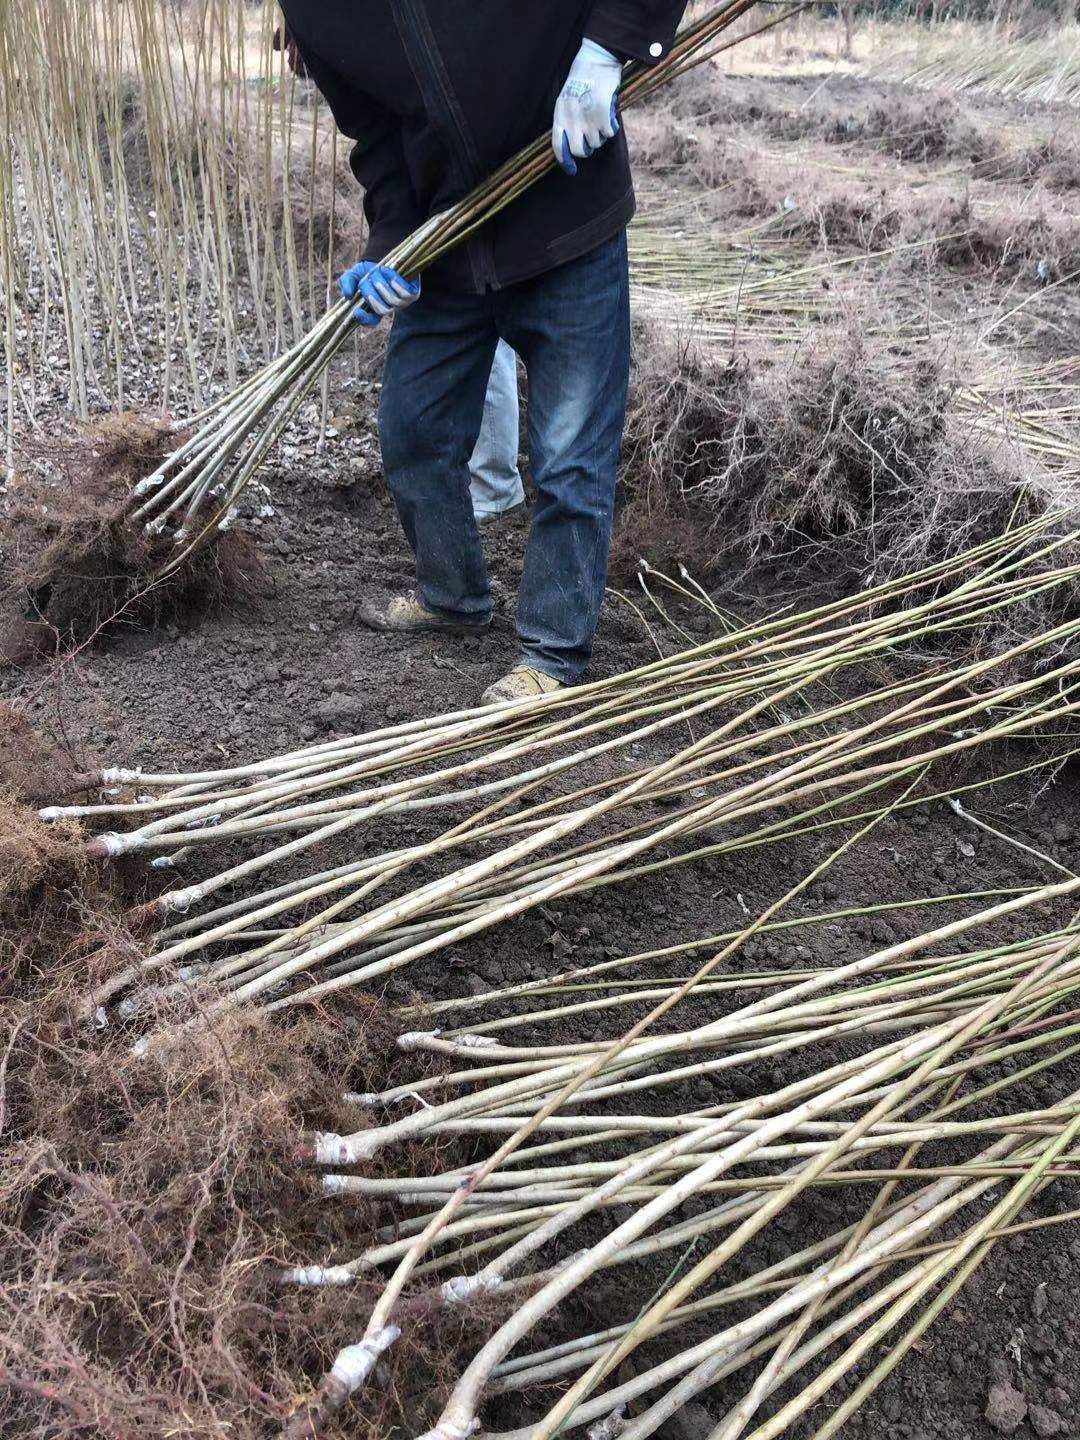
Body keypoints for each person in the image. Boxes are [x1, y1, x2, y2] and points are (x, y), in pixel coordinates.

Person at [280, 1, 688, 704]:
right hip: (448, 247)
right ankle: (453, 598)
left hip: (566, 221)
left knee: (569, 457)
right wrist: (391, 249)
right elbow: (376, 138)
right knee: (413, 433)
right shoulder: (314, 14)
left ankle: (551, 654)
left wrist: (604, 51)